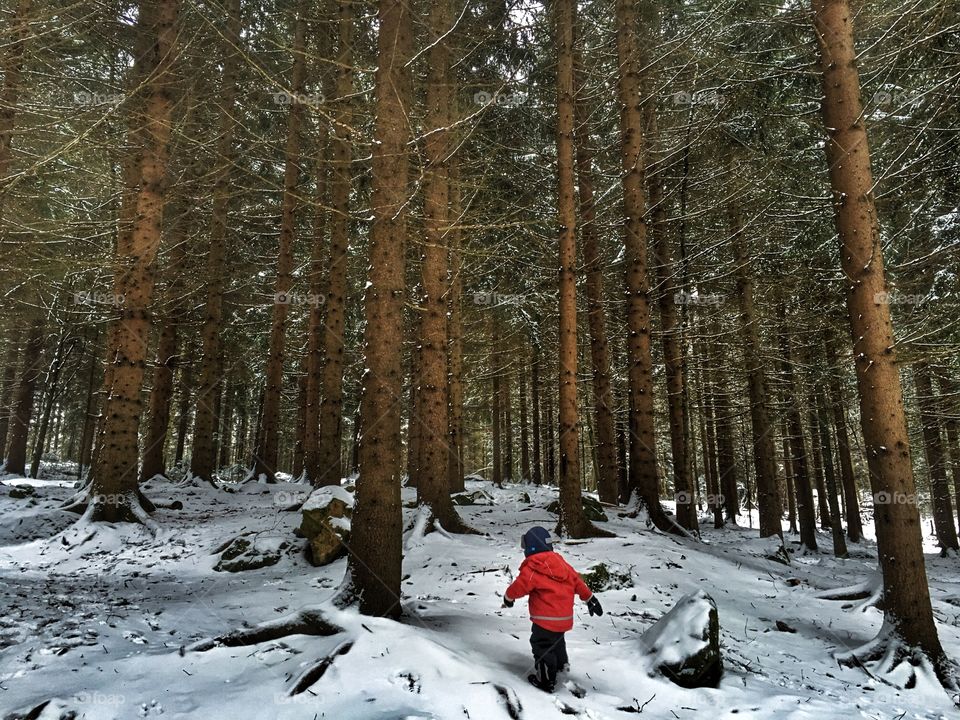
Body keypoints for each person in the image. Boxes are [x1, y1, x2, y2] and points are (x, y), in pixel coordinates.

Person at [501, 526, 603, 692]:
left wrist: (508, 597)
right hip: (564, 619)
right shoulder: (562, 564)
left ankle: (546, 680)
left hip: (544, 620)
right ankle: (562, 667)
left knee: (541, 646)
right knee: (556, 642)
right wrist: (589, 598)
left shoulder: (533, 567)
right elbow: (577, 581)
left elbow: (519, 587)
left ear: (530, 547)